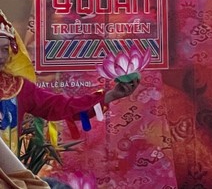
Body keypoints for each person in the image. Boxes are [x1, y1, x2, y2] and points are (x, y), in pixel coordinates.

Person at [0, 10, 138, 157]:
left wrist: (111, 95)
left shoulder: (17, 88)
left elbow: (63, 107)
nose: (1, 56)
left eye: (4, 49)